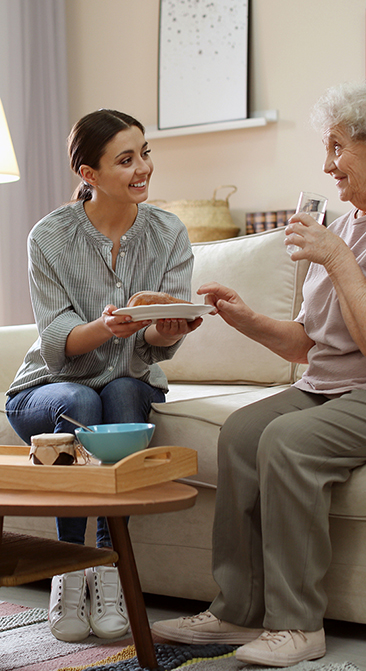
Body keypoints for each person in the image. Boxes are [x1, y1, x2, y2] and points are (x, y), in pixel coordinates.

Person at [152, 82, 366, 667]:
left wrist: (335, 258)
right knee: (244, 432)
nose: (326, 165)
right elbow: (310, 342)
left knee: (289, 441)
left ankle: (298, 626)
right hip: (331, 387)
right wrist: (245, 318)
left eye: (336, 148)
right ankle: (234, 611)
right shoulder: (348, 224)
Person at [5, 109, 201, 643]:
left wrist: (164, 328)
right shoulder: (49, 237)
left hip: (127, 378)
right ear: (88, 174)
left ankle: (108, 571)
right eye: (126, 159)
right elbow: (57, 345)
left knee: (121, 391)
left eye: (145, 153)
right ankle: (71, 571)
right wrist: (107, 327)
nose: (143, 168)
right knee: (83, 401)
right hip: (46, 390)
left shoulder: (167, 233)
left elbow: (159, 345)